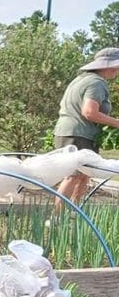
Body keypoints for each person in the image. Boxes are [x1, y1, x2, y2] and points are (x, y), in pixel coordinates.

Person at [54, 47, 119, 205]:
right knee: (73, 175)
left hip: (78, 132)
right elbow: (89, 112)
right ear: (107, 66)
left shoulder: (82, 79)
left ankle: (76, 212)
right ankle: (57, 218)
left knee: (84, 174)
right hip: (77, 134)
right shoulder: (96, 83)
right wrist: (116, 123)